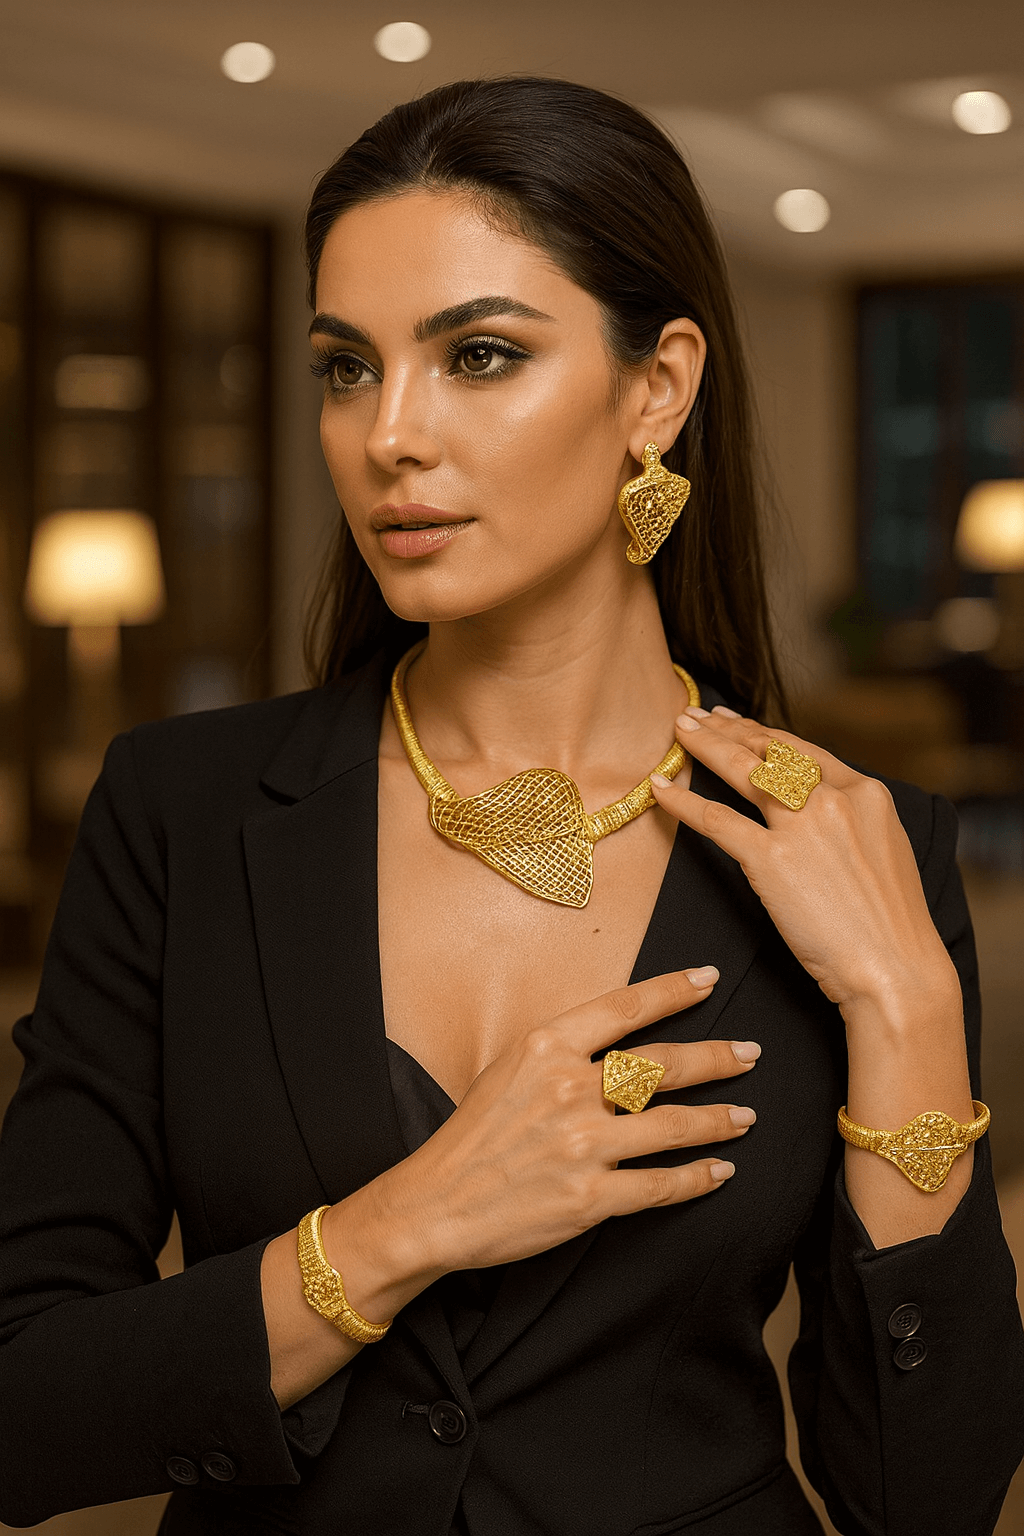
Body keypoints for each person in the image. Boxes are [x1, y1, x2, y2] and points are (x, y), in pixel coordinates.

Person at [0, 76, 1021, 1536]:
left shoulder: (865, 847)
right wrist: (408, 1224)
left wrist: (906, 998)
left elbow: (923, 1502)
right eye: (346, 368)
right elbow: (24, 1405)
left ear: (657, 388)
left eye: (478, 355)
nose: (389, 436)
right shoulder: (182, 808)